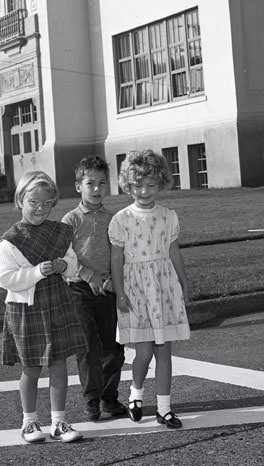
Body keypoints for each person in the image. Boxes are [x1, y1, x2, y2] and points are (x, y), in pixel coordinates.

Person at [0, 170, 86, 444]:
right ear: (20, 200)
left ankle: (59, 422)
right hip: (25, 310)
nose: (40, 208)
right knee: (32, 368)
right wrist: (37, 272)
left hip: (56, 302)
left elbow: (73, 264)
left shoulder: (59, 232)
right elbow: (6, 279)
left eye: (47, 203)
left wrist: (63, 266)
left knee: (59, 365)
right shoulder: (9, 241)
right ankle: (29, 422)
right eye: (33, 202)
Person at [109, 150, 190, 429]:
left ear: (161, 183)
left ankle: (165, 408)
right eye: (138, 185)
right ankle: (136, 392)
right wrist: (120, 292)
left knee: (164, 350)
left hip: (163, 286)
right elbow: (116, 258)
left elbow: (173, 250)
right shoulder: (121, 219)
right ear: (128, 185)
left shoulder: (168, 217)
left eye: (151, 185)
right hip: (136, 289)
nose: (144, 191)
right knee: (143, 353)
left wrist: (182, 281)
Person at [62, 156, 126, 422]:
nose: (97, 189)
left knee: (113, 347)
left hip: (107, 289)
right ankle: (91, 399)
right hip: (79, 289)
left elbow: (120, 253)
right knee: (88, 345)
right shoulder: (71, 220)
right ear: (79, 186)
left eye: (102, 183)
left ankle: (109, 398)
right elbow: (66, 256)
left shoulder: (115, 219)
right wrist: (89, 276)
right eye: (90, 183)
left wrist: (112, 277)